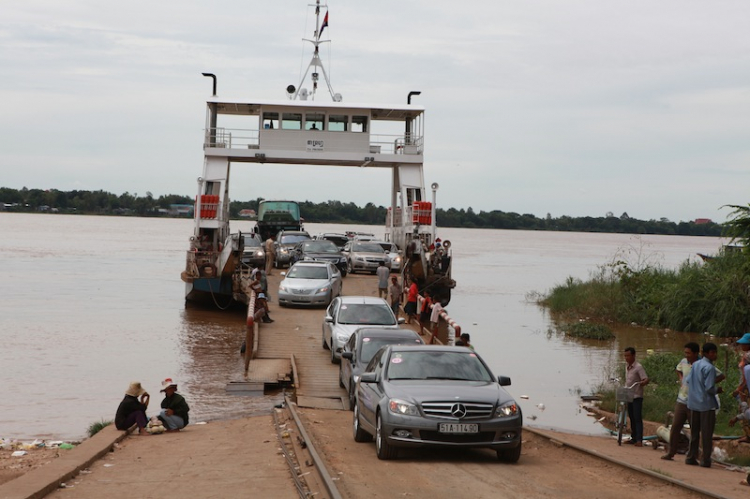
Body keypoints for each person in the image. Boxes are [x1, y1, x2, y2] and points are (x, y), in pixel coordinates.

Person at [685, 342, 721, 467]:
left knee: (694, 432)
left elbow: (688, 380)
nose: (715, 355)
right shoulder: (710, 368)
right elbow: (709, 388)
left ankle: (691, 456)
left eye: (715, 352)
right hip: (706, 404)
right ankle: (705, 459)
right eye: (712, 352)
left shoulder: (695, 365)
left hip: (693, 403)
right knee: (706, 433)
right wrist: (718, 390)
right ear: (706, 353)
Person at [661, 342, 700, 460]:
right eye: (685, 353)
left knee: (695, 429)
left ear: (696, 353)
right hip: (682, 400)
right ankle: (671, 452)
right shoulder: (683, 362)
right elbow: (678, 369)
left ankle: (693, 455)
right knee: (676, 426)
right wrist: (681, 379)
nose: (686, 355)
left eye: (689, 353)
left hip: (695, 402)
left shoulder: (701, 364)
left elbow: (718, 375)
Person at [623, 347, 649, 447]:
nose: (626, 358)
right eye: (625, 356)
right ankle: (633, 438)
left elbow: (646, 379)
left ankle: (639, 440)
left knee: (637, 417)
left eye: (628, 355)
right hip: (629, 395)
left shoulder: (638, 367)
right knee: (632, 417)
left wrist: (642, 383)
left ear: (633, 356)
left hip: (637, 395)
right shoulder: (627, 366)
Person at [732, 333, 750, 402]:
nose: (741, 345)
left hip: (746, 387)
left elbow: (745, 376)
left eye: (744, 344)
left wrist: (739, 389)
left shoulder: (747, 357)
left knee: (744, 406)